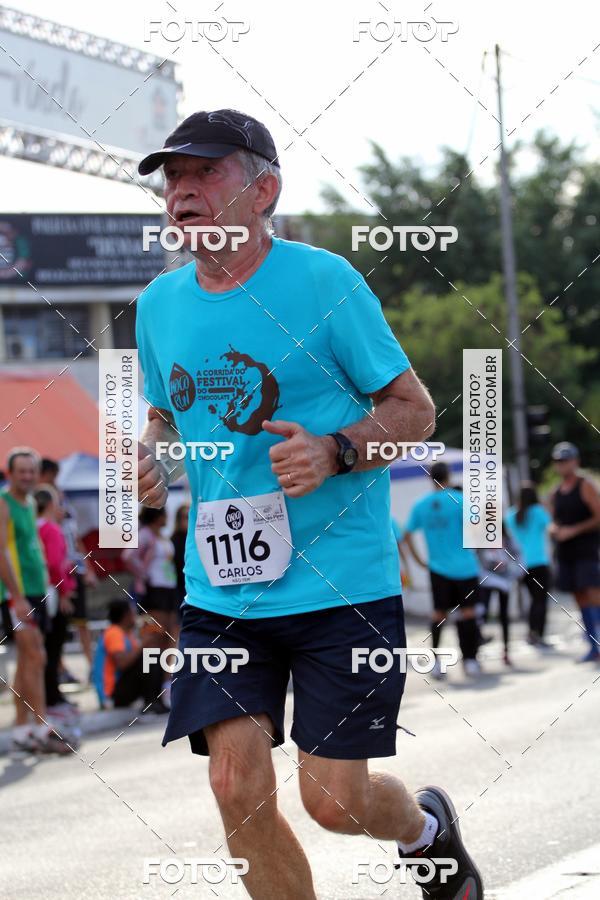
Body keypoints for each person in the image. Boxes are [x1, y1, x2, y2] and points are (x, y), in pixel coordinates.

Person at [135, 109, 483, 899]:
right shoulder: (159, 304)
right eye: (173, 177)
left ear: (264, 191)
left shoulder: (326, 282)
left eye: (205, 172)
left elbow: (415, 410)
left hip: (341, 586)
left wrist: (336, 451)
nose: (182, 191)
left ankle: (425, 830)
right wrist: (151, 456)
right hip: (222, 591)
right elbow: (165, 412)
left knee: (334, 802)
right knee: (234, 786)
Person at [0, 448, 69, 754]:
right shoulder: (3, 503)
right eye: (22, 471)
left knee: (27, 660)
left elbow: (32, 547)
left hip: (34, 590)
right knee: (37, 655)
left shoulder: (29, 503)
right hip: (14, 593)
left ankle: (20, 729)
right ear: (10, 473)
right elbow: (1, 552)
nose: (27, 476)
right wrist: (15, 597)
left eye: (31, 471)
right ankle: (42, 728)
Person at [404, 462, 482, 678]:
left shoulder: (421, 504)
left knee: (439, 614)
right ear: (448, 476)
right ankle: (470, 660)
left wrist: (419, 561)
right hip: (465, 567)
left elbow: (407, 534)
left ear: (430, 478)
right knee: (468, 613)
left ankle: (437, 663)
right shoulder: (460, 500)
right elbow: (478, 528)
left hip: (437, 569)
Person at [39, 457, 96, 682]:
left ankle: (92, 667)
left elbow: (76, 537)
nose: (54, 480)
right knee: (56, 625)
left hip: (73, 567)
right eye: (51, 476)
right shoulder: (39, 504)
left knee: (81, 620)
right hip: (56, 570)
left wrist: (88, 567)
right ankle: (58, 669)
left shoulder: (63, 500)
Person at [549, 442, 600, 663]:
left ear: (575, 461)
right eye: (559, 461)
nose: (562, 465)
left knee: (593, 594)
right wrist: (554, 529)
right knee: (579, 597)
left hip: (586, 550)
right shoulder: (556, 492)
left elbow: (598, 517)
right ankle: (593, 646)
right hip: (566, 552)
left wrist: (574, 530)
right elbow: (554, 520)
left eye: (566, 460)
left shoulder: (585, 485)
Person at [35, 485, 77, 718]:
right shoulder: (51, 528)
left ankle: (50, 697)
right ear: (50, 504)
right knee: (53, 649)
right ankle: (52, 698)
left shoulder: (39, 526)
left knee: (48, 649)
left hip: (44, 592)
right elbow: (54, 563)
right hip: (54, 594)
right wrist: (64, 592)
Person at [92, 599, 168, 713]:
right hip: (111, 693)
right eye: (133, 613)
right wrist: (143, 644)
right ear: (126, 616)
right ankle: (151, 702)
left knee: (153, 656)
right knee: (150, 656)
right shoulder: (114, 633)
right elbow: (122, 663)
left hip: (122, 688)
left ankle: (156, 702)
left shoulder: (127, 634)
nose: (135, 617)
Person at [505, 482, 552, 647]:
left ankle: (531, 632)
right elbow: (551, 526)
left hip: (520, 564)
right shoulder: (538, 512)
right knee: (540, 601)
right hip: (538, 562)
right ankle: (537, 633)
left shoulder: (510, 514)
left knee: (532, 600)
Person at [123, 507, 180, 635]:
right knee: (156, 631)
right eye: (165, 515)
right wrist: (143, 573)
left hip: (169, 585)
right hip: (155, 587)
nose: (167, 518)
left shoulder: (162, 535)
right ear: (158, 517)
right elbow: (128, 556)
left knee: (171, 629)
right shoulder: (145, 534)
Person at [477, 524, 522, 667]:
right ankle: (477, 651)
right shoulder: (480, 537)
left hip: (504, 580)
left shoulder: (507, 538)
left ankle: (506, 652)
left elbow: (518, 554)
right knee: (482, 613)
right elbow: (475, 556)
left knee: (504, 616)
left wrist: (516, 571)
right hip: (486, 579)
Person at [171, 502, 190, 614]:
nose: (189, 520)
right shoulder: (173, 541)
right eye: (185, 517)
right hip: (179, 587)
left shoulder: (198, 539)